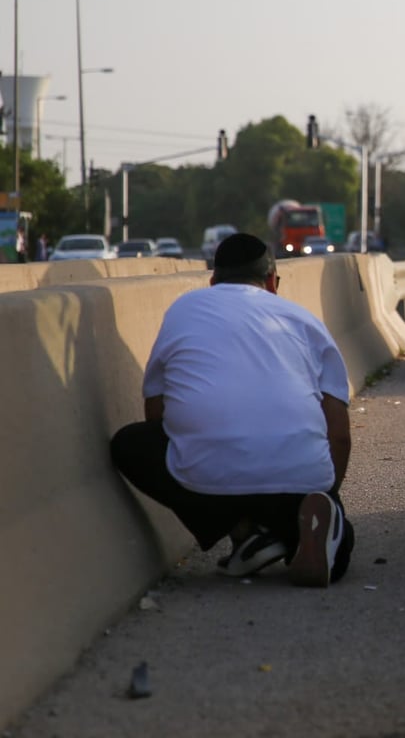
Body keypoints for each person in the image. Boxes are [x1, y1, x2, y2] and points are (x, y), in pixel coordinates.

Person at [109, 233, 354, 587]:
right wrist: (326, 492)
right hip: (295, 477)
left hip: (210, 481)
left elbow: (156, 412)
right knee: (339, 541)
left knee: (129, 443)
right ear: (272, 282)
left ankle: (244, 531)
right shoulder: (305, 320)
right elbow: (340, 435)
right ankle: (309, 528)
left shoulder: (183, 308)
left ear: (212, 281)